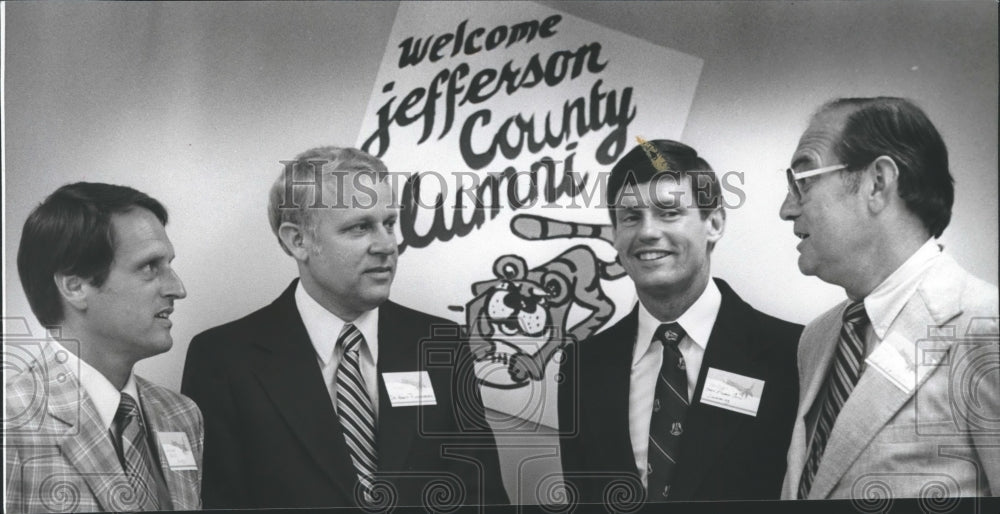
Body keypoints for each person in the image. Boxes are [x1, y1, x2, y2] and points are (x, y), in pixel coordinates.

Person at [181, 146, 509, 509]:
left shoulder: (439, 343)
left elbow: (484, 496)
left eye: (389, 224)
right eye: (360, 227)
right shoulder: (224, 358)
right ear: (298, 241)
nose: (387, 245)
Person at [558, 139, 803, 504]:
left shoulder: (792, 354)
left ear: (714, 223)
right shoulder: (583, 362)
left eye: (669, 212)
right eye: (630, 217)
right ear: (614, 236)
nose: (647, 232)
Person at [779, 97, 999, 499]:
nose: (786, 209)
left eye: (804, 181)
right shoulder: (818, 338)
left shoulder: (987, 326)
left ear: (877, 183)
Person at [6, 182, 201, 513]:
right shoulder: (12, 422)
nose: (177, 288)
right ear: (76, 286)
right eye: (150, 266)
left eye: (169, 264)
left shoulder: (181, 415)